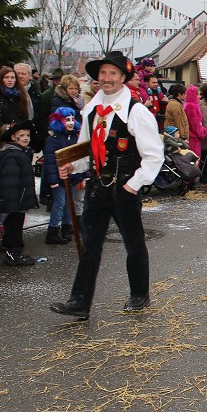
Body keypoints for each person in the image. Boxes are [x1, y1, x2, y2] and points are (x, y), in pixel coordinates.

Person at [49, 52, 164, 319]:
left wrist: (134, 185)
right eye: (103, 74)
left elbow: (154, 155)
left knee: (133, 243)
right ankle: (79, 301)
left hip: (124, 189)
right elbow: (86, 150)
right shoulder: (91, 110)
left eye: (113, 74)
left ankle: (139, 294)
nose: (107, 79)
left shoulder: (136, 111)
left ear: (123, 78)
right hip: (97, 188)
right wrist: (73, 167)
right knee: (90, 245)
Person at [0, 120, 39, 266]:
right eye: (22, 135)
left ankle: (16, 253)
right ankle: (13, 255)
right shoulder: (12, 155)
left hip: (19, 199)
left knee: (16, 227)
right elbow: (10, 182)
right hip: (13, 201)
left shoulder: (20, 153)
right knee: (12, 228)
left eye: (27, 135)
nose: (26, 138)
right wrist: (12, 204)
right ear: (13, 138)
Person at [42, 107, 86, 244]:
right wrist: (53, 180)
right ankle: (53, 230)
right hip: (60, 178)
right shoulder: (52, 140)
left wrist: (84, 174)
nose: (71, 122)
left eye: (73, 119)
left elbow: (81, 156)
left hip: (73, 176)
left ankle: (67, 228)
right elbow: (49, 162)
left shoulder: (75, 137)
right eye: (67, 120)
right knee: (59, 203)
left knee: (70, 204)